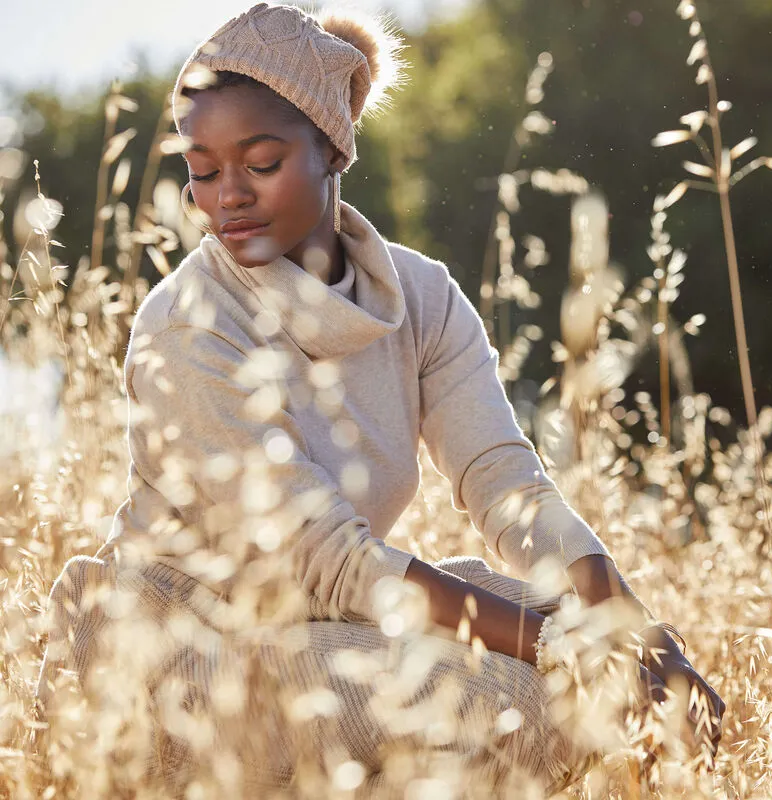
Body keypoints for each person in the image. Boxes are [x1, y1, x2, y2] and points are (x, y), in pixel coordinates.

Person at [34, 3, 725, 795]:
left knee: (575, 641)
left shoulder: (423, 297)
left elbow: (508, 482)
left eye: (259, 164)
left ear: (333, 148)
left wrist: (639, 641)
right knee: (520, 698)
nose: (226, 196)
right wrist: (572, 650)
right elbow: (330, 559)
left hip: (328, 625)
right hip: (184, 651)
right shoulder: (186, 325)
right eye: (201, 169)